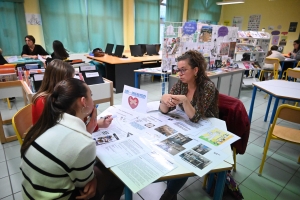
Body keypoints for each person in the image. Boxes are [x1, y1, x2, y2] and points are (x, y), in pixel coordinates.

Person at [20, 78, 124, 200]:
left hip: (32, 193)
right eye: (91, 95)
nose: (93, 99)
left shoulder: (47, 122)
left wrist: (89, 128)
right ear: (83, 101)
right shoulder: (83, 142)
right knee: (117, 175)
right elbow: (83, 184)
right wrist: (93, 180)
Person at [159, 50, 219, 200]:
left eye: (183, 70)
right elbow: (164, 110)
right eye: (178, 70)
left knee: (186, 154)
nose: (180, 74)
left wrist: (185, 100)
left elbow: (196, 117)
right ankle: (171, 190)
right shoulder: (181, 84)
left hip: (208, 128)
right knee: (169, 145)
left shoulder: (207, 87)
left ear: (196, 70)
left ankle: (169, 193)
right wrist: (164, 99)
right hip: (189, 127)